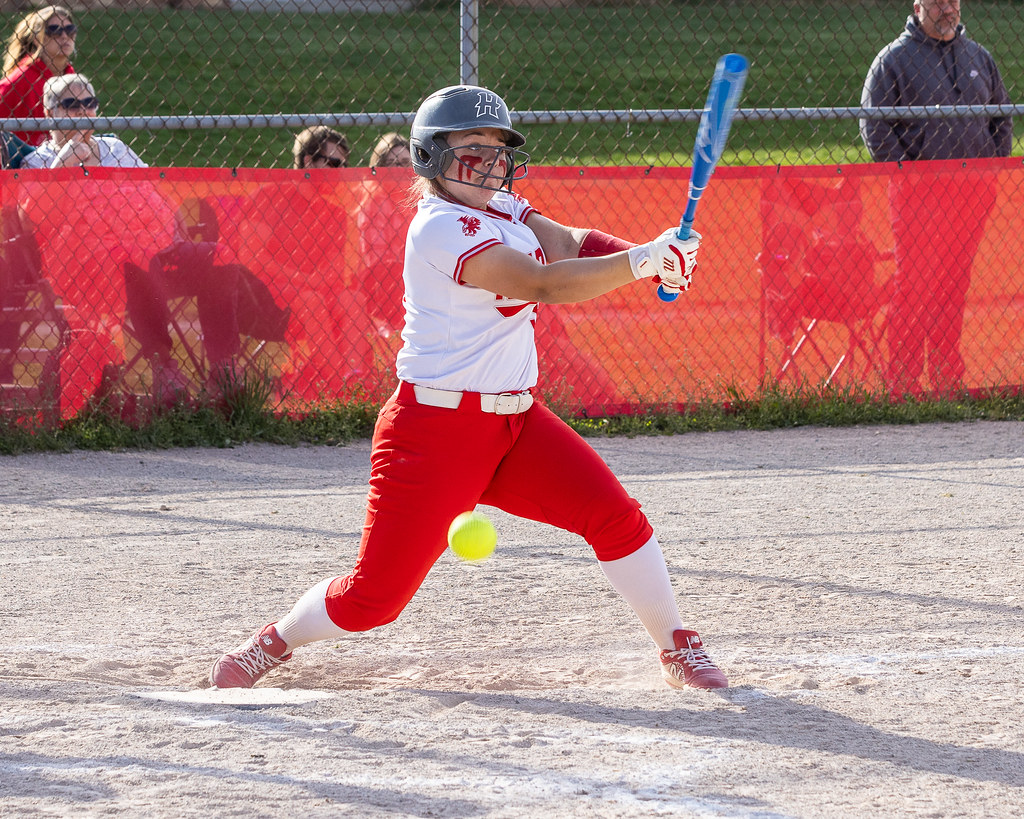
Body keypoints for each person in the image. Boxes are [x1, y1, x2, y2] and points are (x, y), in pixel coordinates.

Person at [210, 84, 728, 692]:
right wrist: (642, 263)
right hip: (433, 432)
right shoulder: (437, 227)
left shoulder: (503, 205)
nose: (489, 164)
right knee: (372, 600)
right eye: (472, 150)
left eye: (498, 151)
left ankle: (676, 644)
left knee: (617, 518)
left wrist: (653, 256)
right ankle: (273, 641)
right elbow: (542, 282)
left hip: (517, 423)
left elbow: (566, 244)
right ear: (431, 156)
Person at [860, 0, 1011, 395]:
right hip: (919, 199)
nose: (948, 9)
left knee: (953, 286)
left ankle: (947, 380)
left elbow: (1002, 115)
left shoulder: (979, 56)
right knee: (915, 287)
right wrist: (910, 177)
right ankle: (904, 383)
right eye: (938, 2)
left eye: (953, 1)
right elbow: (874, 126)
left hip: (972, 196)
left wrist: (993, 167)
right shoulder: (893, 60)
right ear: (918, 7)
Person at [356, 132, 414, 336]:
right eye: (392, 164)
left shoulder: (421, 201)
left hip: (417, 274)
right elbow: (378, 259)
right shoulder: (375, 202)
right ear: (379, 169)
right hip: (383, 281)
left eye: (405, 163)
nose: (399, 170)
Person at [0, 6, 77, 147]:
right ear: (37, 38)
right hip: (26, 157)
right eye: (55, 30)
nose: (64, 36)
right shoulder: (21, 80)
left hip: (69, 154)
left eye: (70, 29)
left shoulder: (72, 78)